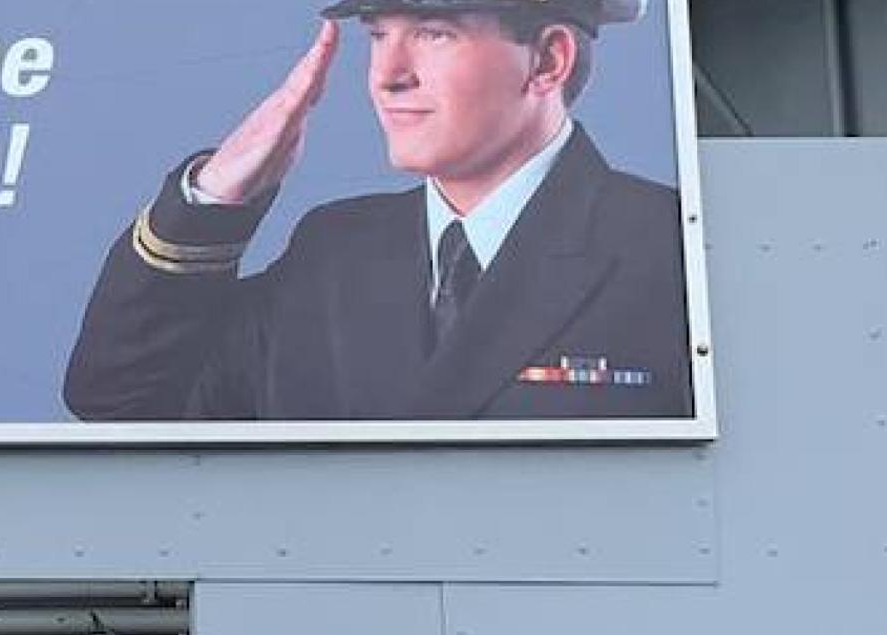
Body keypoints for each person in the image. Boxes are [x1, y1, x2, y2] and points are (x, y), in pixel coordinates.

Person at [62, 0, 692, 423]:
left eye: (433, 32)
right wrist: (214, 198)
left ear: (548, 61)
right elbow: (121, 402)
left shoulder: (667, 250)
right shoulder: (335, 254)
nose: (388, 75)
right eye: (378, 36)